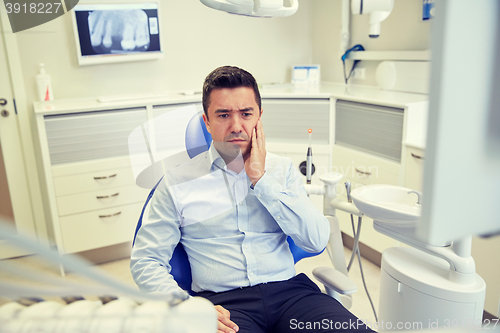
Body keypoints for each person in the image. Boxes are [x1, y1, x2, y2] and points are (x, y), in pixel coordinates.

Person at [131, 66, 373, 333]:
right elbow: (146, 260)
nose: (237, 126)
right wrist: (186, 305)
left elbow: (316, 240)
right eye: (223, 115)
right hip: (223, 305)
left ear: (259, 116)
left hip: (292, 295)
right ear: (207, 122)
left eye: (246, 114)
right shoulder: (176, 183)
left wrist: (261, 179)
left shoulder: (281, 170)